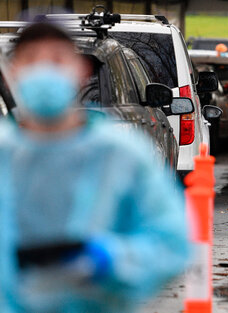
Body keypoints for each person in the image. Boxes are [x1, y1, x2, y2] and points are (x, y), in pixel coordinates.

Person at [0, 22, 189, 312]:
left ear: (81, 71)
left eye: (56, 60)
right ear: (13, 73)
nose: (44, 71)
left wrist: (114, 259)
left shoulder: (121, 154)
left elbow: (173, 242)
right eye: (31, 60)